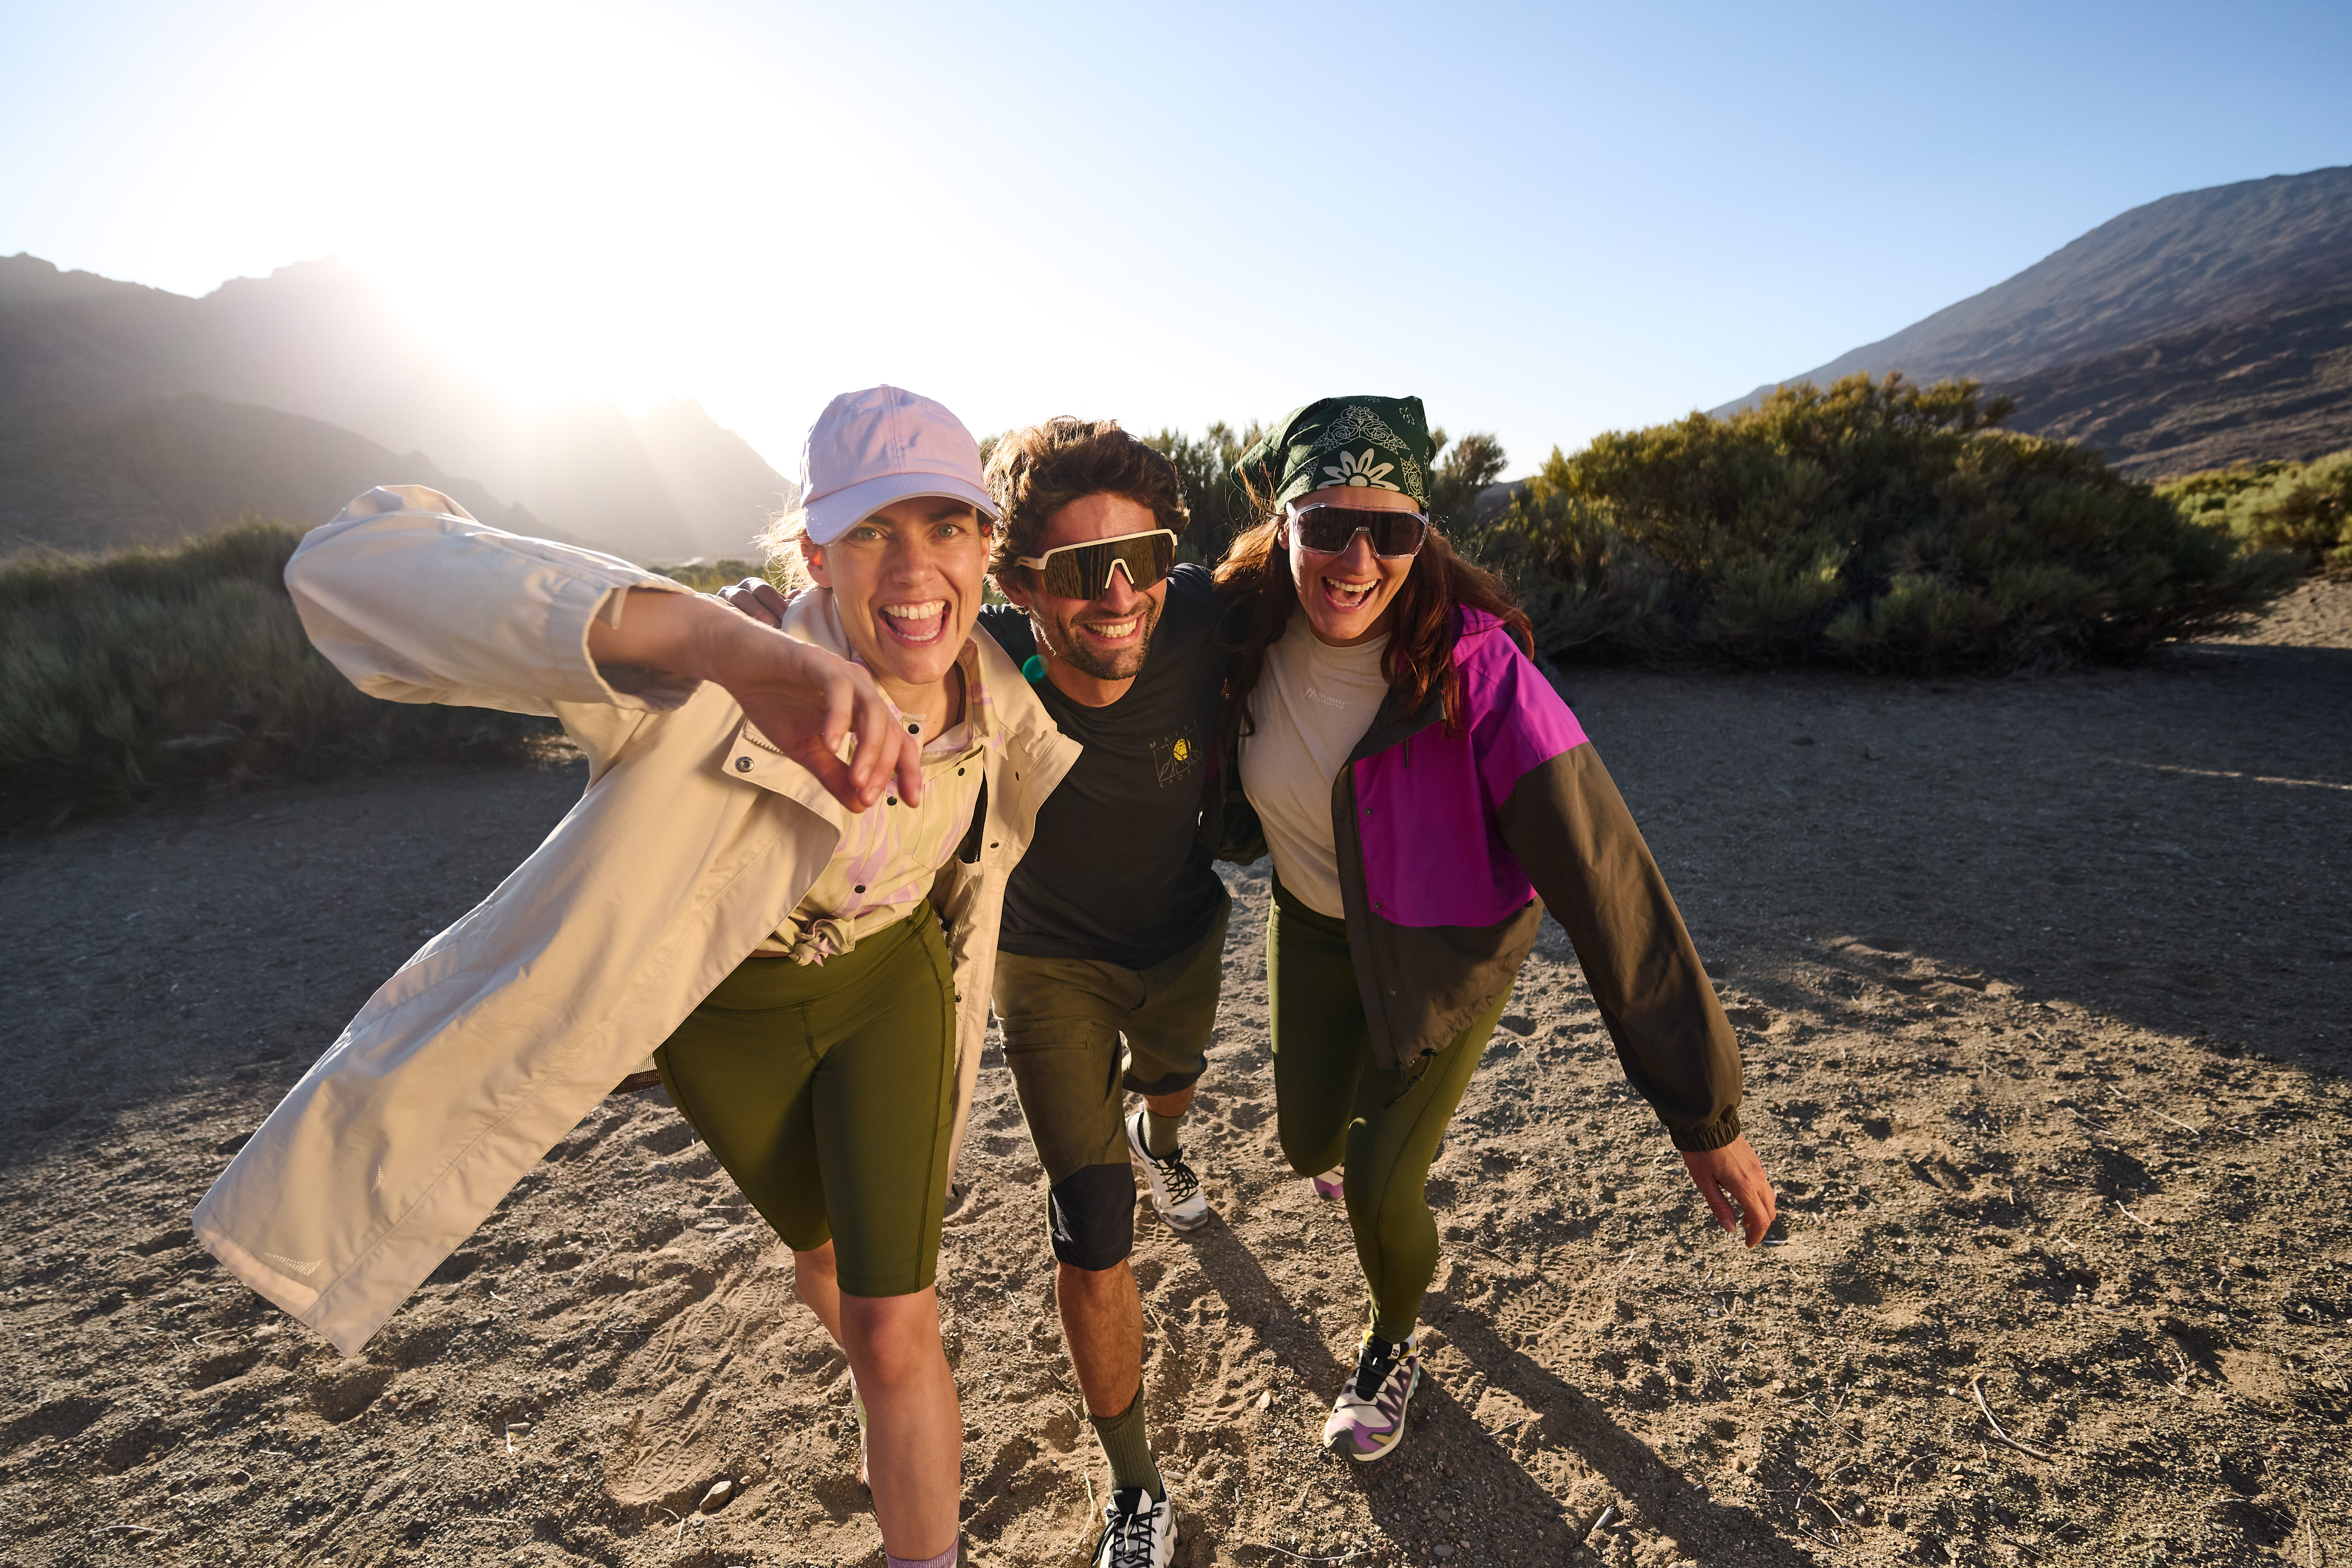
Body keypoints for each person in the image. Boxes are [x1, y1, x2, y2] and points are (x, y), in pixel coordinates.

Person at [193, 386, 1074, 1568]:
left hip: (894, 995)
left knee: (893, 1314)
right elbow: (350, 569)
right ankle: (882, 1377)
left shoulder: (996, 687)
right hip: (729, 1024)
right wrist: (715, 641)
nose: (916, 568)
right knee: (820, 1256)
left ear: (983, 542)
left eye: (947, 525)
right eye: (872, 530)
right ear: (813, 548)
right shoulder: (707, 666)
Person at [1209, 394, 1777, 1463]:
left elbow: (1611, 884)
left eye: (1394, 529)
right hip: (1312, 927)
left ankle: (1390, 1344)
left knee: (1382, 1190)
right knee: (1304, 1146)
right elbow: (1084, 627)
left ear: (1427, 535)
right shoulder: (1240, 629)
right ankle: (1361, 1161)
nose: (1357, 557)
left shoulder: (1478, 671)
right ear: (1282, 522)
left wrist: (1704, 1114)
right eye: (1328, 523)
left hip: (1447, 951)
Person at [725, 417, 1228, 1568]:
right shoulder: (966, 647)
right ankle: (1135, 1486)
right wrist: (754, 617)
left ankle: (1168, 1125)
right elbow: (849, 625)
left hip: (1187, 941)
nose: (1117, 595)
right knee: (1094, 1232)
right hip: (1043, 968)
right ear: (1017, 583)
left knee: (1175, 1086)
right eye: (1077, 572)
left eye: (1140, 560)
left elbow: (1332, 576)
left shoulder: (1200, 612)